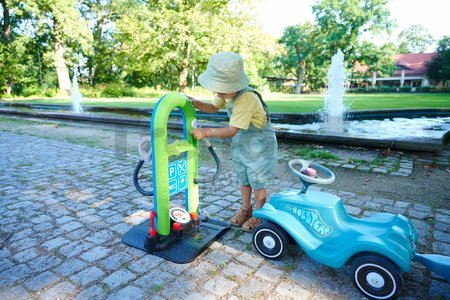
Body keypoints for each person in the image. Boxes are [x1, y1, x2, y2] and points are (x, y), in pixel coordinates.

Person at [187, 51, 278, 232]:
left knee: (258, 181)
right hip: (242, 143)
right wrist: (196, 103)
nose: (216, 91)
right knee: (244, 178)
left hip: (258, 144)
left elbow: (231, 130)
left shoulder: (246, 98)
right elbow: (213, 107)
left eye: (219, 86)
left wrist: (206, 132)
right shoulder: (225, 94)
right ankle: (246, 208)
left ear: (233, 84)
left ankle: (259, 215)